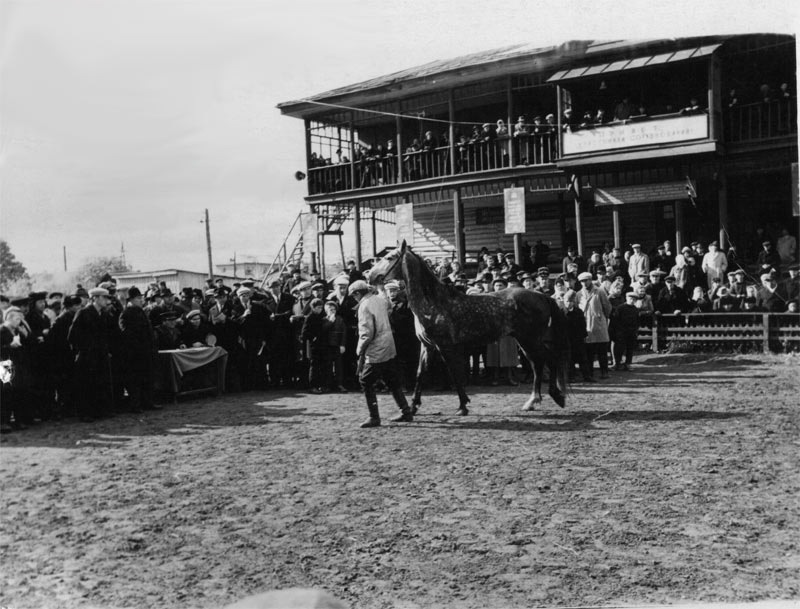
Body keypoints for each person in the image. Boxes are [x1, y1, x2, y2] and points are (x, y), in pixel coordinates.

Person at [348, 280, 413, 429]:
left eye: (354, 295)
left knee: (365, 381)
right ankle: (406, 411)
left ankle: (374, 417)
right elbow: (389, 308)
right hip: (389, 345)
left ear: (357, 293)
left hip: (376, 349)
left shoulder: (364, 306)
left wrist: (359, 350)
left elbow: (366, 333)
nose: (354, 298)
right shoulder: (379, 300)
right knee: (392, 380)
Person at [68, 287, 113, 422]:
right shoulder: (83, 313)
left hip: (101, 355)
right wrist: (83, 350)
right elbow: (72, 335)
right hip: (87, 356)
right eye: (104, 298)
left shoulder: (103, 314)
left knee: (100, 383)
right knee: (86, 385)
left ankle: (99, 410)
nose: (106, 301)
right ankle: (85, 413)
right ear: (95, 298)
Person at [118, 286, 158, 413]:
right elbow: (126, 334)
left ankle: (147, 402)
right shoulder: (126, 313)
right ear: (131, 300)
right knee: (135, 380)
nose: (141, 300)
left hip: (145, 351)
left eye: (141, 298)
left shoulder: (141, 311)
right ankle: (135, 405)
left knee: (147, 378)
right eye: (138, 298)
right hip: (134, 353)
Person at [576, 271, 612, 380]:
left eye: (586, 280)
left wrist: (602, 317)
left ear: (590, 280)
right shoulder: (579, 294)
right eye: (582, 281)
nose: (584, 283)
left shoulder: (599, 291)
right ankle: (590, 373)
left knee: (602, 350)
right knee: (589, 352)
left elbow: (607, 307)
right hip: (586, 325)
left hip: (599, 324)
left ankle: (604, 372)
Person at [1, 307, 29, 431]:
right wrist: (8, 346)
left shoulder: (17, 331)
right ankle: (3, 421)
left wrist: (26, 335)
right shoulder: (2, 331)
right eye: (17, 319)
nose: (20, 321)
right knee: (5, 393)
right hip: (5, 365)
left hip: (18, 364)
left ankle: (19, 419)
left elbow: (27, 345)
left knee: (18, 391)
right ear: (9, 318)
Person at [563, 289, 592, 382]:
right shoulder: (561, 313)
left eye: (571, 301)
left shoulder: (578, 312)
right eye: (567, 301)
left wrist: (584, 336)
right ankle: (571, 377)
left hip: (578, 339)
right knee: (569, 359)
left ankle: (587, 376)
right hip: (566, 339)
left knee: (583, 358)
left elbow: (583, 325)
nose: (569, 303)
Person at [300, 298, 328, 394]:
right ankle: (313, 386)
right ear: (313, 307)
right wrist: (313, 337)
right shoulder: (309, 317)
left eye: (321, 307)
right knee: (314, 366)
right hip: (314, 346)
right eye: (318, 307)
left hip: (322, 344)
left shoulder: (322, 316)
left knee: (322, 365)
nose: (320, 309)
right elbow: (304, 333)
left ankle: (321, 385)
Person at [610, 292, 640, 371]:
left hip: (631, 332)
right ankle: (616, 364)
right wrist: (616, 332)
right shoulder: (620, 308)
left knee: (630, 349)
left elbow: (637, 321)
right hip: (621, 332)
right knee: (619, 349)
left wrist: (635, 331)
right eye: (631, 299)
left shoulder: (635, 310)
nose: (632, 301)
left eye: (634, 299)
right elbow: (615, 320)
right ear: (626, 298)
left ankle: (628, 364)